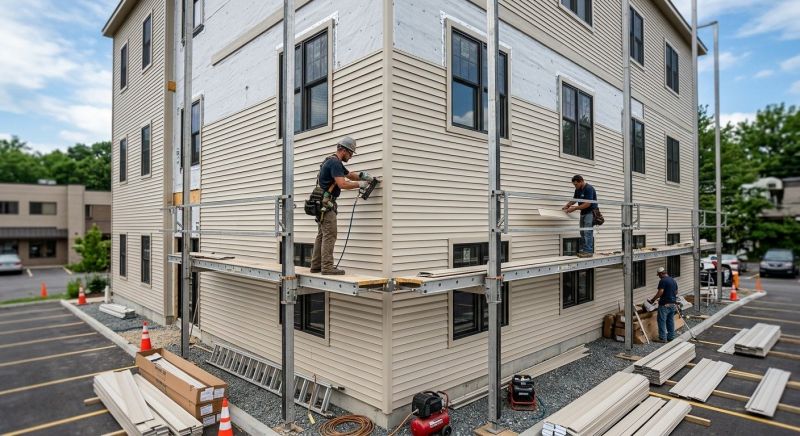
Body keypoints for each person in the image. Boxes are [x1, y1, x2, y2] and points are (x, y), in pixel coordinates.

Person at [310, 136, 378, 275]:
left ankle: (316, 266)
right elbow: (342, 184)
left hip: (321, 203)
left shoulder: (331, 161)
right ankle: (327, 267)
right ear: (344, 150)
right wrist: (360, 184)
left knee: (322, 235)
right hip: (327, 205)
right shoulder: (335, 163)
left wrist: (364, 176)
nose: (351, 156)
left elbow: (349, 175)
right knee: (330, 234)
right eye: (351, 153)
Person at [562, 175, 598, 258]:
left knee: (587, 232)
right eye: (574, 185)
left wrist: (574, 209)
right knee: (582, 232)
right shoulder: (577, 190)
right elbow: (575, 199)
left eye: (576, 184)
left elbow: (588, 204)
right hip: (583, 213)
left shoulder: (589, 189)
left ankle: (588, 251)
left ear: (581, 181)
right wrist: (567, 205)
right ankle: (584, 250)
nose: (575, 186)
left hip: (590, 212)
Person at [648, 267, 679, 342]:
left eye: (658, 275)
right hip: (672, 304)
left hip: (664, 305)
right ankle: (671, 337)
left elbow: (660, 291)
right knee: (670, 321)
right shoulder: (673, 280)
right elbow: (676, 292)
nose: (658, 276)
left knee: (661, 321)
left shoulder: (663, 280)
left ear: (662, 273)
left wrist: (653, 300)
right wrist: (669, 296)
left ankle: (662, 338)